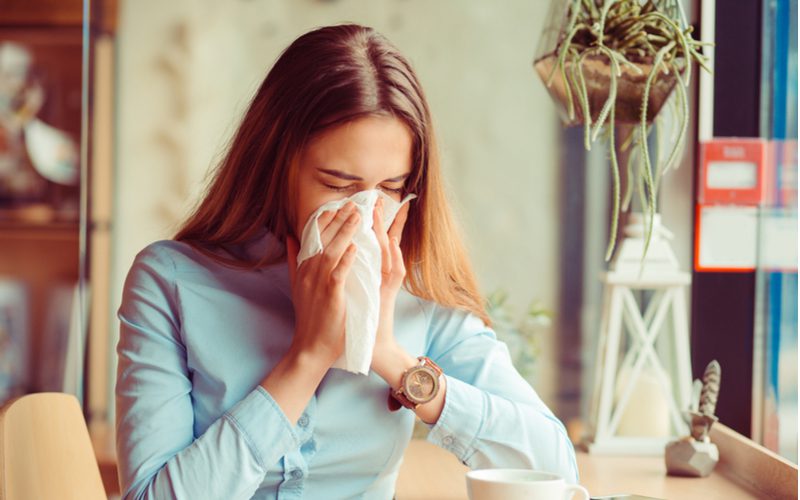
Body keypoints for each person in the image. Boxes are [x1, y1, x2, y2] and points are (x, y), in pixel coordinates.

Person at [115, 23, 578, 500]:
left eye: (391, 188)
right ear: (277, 166)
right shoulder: (171, 282)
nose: (366, 214)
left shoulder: (419, 293)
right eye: (338, 185)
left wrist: (387, 355)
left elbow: (555, 467)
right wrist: (307, 357)